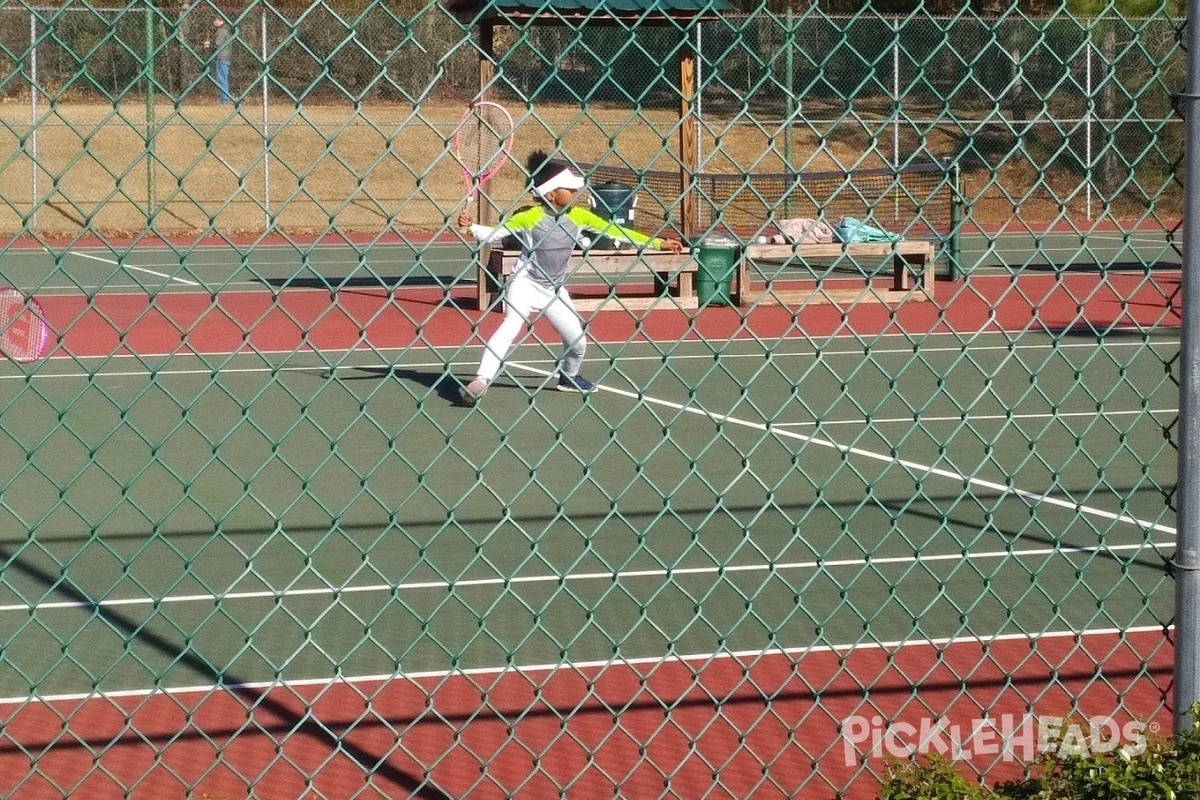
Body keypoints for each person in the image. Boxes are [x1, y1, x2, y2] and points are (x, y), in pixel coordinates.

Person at [457, 150, 684, 406]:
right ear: (551, 194)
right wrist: (469, 227)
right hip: (524, 283)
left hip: (554, 290)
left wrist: (658, 243)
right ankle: (481, 380)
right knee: (509, 327)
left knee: (577, 343)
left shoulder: (579, 216)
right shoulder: (530, 216)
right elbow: (493, 234)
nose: (575, 193)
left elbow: (617, 231)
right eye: (569, 189)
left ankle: (568, 377)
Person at [203, 16, 233, 104]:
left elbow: (217, 44)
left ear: (221, 21)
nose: (214, 21)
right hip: (224, 57)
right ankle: (223, 98)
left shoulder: (222, 31)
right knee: (222, 77)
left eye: (216, 20)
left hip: (221, 57)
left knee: (222, 78)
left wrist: (209, 44)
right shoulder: (225, 29)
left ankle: (224, 99)